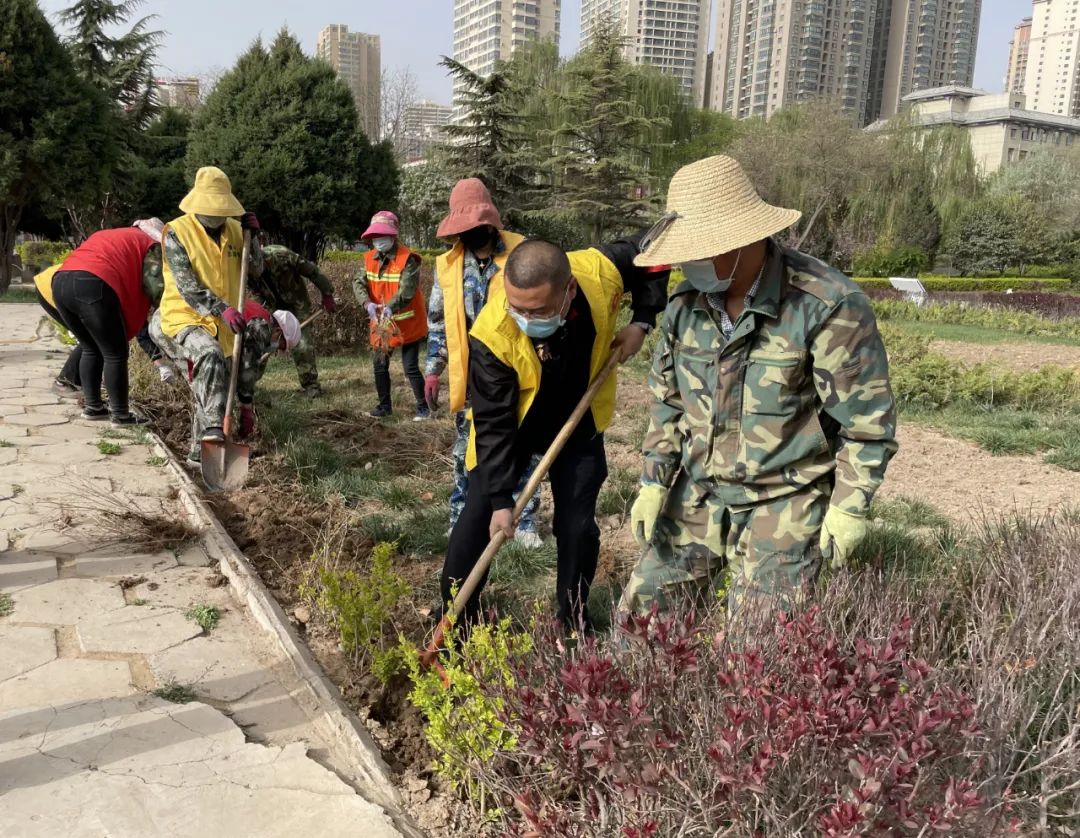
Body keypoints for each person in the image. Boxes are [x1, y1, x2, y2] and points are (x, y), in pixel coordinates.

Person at [621, 155, 898, 618]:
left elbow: (867, 423)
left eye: (698, 250)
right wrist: (653, 481)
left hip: (785, 495)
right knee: (643, 627)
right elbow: (669, 402)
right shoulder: (686, 306)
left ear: (742, 240)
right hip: (699, 486)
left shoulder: (826, 305)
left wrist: (850, 506)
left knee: (759, 655)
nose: (688, 262)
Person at [440, 235, 668, 631]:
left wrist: (643, 321)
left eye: (540, 309)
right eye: (518, 308)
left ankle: (573, 620)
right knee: (477, 519)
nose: (527, 318)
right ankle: (456, 621)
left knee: (576, 526)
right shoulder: (492, 334)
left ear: (570, 290)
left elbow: (657, 253)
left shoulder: (600, 272)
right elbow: (493, 424)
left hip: (578, 420)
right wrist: (499, 500)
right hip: (516, 426)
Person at [424, 179, 543, 547]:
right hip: (471, 375)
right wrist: (433, 369)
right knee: (466, 454)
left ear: (491, 222)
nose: (470, 234)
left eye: (476, 227)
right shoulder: (448, 266)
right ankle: (463, 520)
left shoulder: (523, 253)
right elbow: (439, 321)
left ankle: (523, 523)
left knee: (522, 448)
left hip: (516, 370)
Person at [156, 166, 264, 461]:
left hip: (224, 323)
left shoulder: (235, 230)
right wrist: (222, 308)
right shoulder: (177, 232)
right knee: (209, 356)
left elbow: (256, 270)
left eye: (221, 210)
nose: (216, 216)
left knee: (210, 382)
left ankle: (197, 453)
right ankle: (214, 431)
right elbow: (188, 287)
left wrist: (254, 238)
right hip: (185, 316)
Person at [41, 220, 167, 426]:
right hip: (93, 283)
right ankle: (121, 415)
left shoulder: (111, 235)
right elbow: (155, 286)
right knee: (115, 352)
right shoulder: (149, 244)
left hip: (60, 283)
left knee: (91, 347)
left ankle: (93, 408)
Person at [150, 301, 301, 463]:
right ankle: (201, 453)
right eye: (280, 344)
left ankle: (204, 448)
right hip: (175, 322)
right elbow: (248, 368)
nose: (275, 349)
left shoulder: (257, 315)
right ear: (277, 331)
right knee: (208, 386)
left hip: (173, 320)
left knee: (208, 385)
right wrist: (246, 407)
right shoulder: (261, 326)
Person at [352, 211, 428, 420]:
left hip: (408, 321)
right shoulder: (368, 259)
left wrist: (390, 307)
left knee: (410, 366)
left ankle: (423, 407)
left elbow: (407, 290)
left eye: (382, 235)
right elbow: (358, 282)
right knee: (379, 365)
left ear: (393, 236)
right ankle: (384, 407)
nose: (378, 240)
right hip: (382, 322)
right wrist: (366, 303)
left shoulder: (408, 260)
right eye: (375, 236)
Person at [253, 241, 336, 398]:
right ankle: (246, 384)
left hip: (296, 303)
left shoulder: (281, 255)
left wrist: (327, 293)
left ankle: (311, 387)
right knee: (262, 340)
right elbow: (256, 292)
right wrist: (264, 313)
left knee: (301, 343)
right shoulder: (247, 268)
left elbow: (312, 271)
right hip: (271, 305)